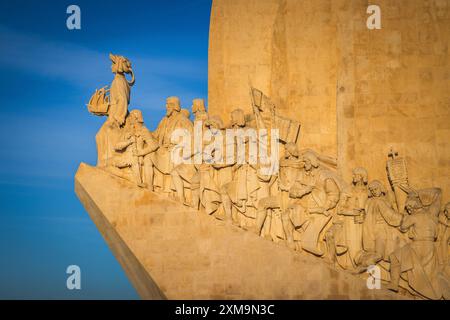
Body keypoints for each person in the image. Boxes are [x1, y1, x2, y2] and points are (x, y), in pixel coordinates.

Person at [388, 189, 448, 300]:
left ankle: (394, 284)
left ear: (412, 208)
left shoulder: (413, 217)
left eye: (409, 209)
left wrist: (405, 215)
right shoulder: (433, 214)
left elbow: (403, 227)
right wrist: (419, 195)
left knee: (394, 257)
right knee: (428, 275)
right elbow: (438, 193)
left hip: (417, 246)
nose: (409, 211)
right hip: (431, 247)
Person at [152, 96, 193, 194]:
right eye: (166, 104)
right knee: (151, 154)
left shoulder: (184, 120)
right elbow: (155, 134)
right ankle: (156, 186)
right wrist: (141, 132)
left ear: (175, 106)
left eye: (168, 105)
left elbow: (191, 137)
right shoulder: (164, 120)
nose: (166, 107)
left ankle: (172, 191)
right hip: (164, 149)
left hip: (177, 150)